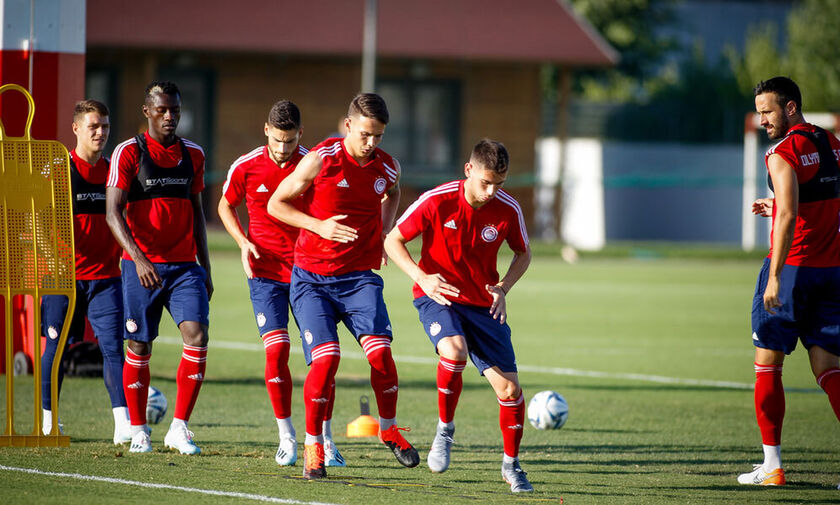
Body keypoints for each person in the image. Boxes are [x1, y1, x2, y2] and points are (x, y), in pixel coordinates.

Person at [267, 93, 418, 479]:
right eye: (366, 134)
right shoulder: (320, 159)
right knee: (327, 359)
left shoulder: (388, 166)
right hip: (312, 280)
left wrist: (384, 230)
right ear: (348, 125)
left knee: (382, 356)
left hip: (359, 279)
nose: (371, 143)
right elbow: (276, 204)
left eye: (379, 136)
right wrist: (319, 225)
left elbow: (393, 191)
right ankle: (314, 444)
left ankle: (388, 429)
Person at [384, 139, 534, 493]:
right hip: (439, 296)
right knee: (453, 350)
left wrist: (503, 287)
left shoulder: (507, 209)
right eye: (485, 182)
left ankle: (511, 466)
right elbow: (393, 240)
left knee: (511, 390)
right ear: (468, 170)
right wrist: (422, 277)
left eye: (499, 183)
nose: (491, 191)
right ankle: (445, 431)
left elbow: (523, 254)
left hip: (483, 304)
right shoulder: (437, 200)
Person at [218, 100, 345, 467]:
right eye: (277, 140)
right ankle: (287, 437)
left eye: (289, 141)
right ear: (266, 131)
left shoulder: (314, 162)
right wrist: (243, 243)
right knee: (276, 352)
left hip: (310, 273)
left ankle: (324, 440)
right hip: (265, 272)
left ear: (300, 135)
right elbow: (226, 205)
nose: (283, 149)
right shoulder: (245, 165)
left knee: (323, 359)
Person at [739, 76, 840, 486]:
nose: (762, 119)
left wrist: (776, 276)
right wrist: (781, 201)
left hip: (793, 269)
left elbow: (787, 217)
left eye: (768, 111)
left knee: (768, 365)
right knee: (829, 369)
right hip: (832, 270)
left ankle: (773, 466)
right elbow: (811, 198)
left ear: (791, 107)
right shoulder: (831, 141)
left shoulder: (782, 151)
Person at [106, 81, 213, 455]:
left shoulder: (194, 154)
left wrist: (207, 268)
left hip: (185, 268)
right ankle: (138, 430)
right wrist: (138, 258)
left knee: (197, 336)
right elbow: (112, 212)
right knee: (138, 344)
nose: (170, 117)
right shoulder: (128, 152)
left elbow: (198, 212)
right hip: (140, 269)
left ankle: (179, 429)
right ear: (147, 111)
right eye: (163, 110)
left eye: (176, 111)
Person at [40, 99, 130, 444]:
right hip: (62, 280)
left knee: (112, 348)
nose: (100, 133)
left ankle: (122, 425)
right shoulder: (59, 169)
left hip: (106, 278)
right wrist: (56, 263)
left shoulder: (113, 170)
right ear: (76, 128)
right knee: (56, 348)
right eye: (93, 126)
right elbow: (38, 222)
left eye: (105, 126)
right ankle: (48, 421)